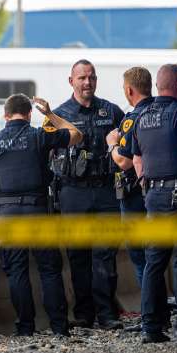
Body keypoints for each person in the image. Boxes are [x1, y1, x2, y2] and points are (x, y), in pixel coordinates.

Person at [111, 64, 177, 344]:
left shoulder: (140, 117)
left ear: (158, 87)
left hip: (154, 199)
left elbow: (135, 160)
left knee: (153, 263)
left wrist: (148, 188)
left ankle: (151, 328)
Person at [0, 94, 83, 336]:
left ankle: (26, 327)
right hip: (38, 211)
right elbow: (76, 135)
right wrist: (50, 114)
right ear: (29, 114)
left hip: (8, 214)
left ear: (5, 115)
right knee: (49, 270)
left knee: (16, 270)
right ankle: (59, 327)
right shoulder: (40, 136)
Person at [50, 59, 127, 330]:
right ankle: (84, 314)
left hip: (106, 190)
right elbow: (45, 156)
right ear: (71, 81)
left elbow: (129, 146)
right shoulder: (59, 115)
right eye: (82, 78)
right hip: (73, 192)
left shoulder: (112, 111)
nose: (87, 82)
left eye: (92, 77)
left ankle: (107, 314)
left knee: (106, 255)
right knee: (78, 256)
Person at [106, 67, 154, 288]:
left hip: (135, 195)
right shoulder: (162, 111)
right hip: (162, 194)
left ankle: (151, 316)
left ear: (129, 90)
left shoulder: (131, 119)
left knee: (140, 257)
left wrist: (112, 144)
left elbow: (124, 161)